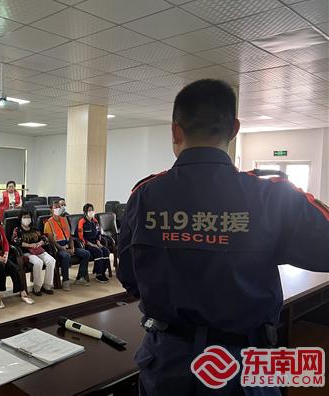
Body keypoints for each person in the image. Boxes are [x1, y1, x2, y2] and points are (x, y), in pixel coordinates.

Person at [117, 79, 329, 396]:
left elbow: (128, 275)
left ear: (175, 131)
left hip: (168, 362)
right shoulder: (271, 196)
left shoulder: (144, 195)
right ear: (234, 129)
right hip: (245, 363)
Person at [44, 201, 91, 291]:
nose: (58, 209)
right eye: (55, 207)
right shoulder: (48, 223)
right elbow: (51, 241)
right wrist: (64, 250)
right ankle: (65, 281)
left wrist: (72, 247)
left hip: (68, 246)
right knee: (66, 256)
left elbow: (70, 237)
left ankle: (80, 278)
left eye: (59, 207)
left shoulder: (64, 220)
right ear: (51, 210)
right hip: (58, 248)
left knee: (86, 253)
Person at [12, 209, 55, 296]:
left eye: (28, 217)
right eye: (24, 217)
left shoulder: (34, 229)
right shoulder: (17, 230)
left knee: (51, 261)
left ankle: (47, 286)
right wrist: (29, 245)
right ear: (20, 219)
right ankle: (37, 288)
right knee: (38, 263)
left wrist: (40, 243)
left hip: (38, 249)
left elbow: (44, 238)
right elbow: (15, 241)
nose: (27, 219)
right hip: (26, 252)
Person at [77, 204, 110, 283]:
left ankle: (103, 272)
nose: (91, 212)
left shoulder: (95, 221)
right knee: (99, 252)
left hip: (96, 243)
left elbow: (98, 233)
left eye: (92, 210)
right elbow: (81, 237)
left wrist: (98, 242)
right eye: (89, 210)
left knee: (106, 251)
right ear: (85, 212)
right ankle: (98, 274)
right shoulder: (82, 222)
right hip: (86, 245)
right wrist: (91, 244)